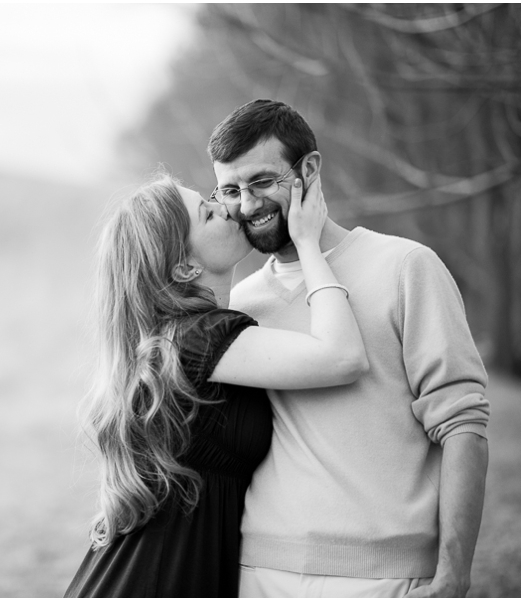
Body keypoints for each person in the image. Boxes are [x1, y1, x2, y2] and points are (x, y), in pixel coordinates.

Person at [206, 99, 490, 598]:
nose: (248, 206)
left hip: (389, 577)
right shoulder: (242, 303)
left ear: (309, 169)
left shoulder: (406, 266)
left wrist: (453, 573)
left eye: (262, 182)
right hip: (259, 574)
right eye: (231, 190)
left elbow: (463, 424)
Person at [65, 171, 368, 597]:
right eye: (208, 214)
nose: (230, 207)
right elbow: (343, 357)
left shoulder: (180, 340)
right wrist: (307, 243)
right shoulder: (196, 338)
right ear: (185, 266)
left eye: (211, 198)